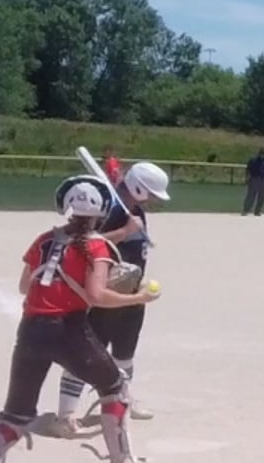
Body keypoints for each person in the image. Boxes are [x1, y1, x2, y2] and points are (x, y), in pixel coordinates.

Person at [0, 178, 161, 463]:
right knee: (115, 388)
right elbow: (98, 296)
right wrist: (139, 297)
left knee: (14, 415)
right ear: (101, 212)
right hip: (70, 330)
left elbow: (24, 286)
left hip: (30, 331)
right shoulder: (98, 247)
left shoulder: (44, 240)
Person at [38, 163, 171, 435]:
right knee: (85, 356)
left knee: (125, 354)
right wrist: (124, 232)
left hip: (132, 294)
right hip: (104, 296)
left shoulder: (134, 210)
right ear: (138, 188)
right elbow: (81, 243)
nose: (154, 200)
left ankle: (122, 401)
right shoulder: (108, 209)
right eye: (151, 193)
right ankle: (64, 416)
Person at [242, 148, 264, 216]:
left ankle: (258, 211)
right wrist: (247, 178)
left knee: (262, 197)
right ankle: (246, 210)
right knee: (250, 196)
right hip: (254, 179)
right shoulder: (253, 160)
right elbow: (248, 169)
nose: (262, 156)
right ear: (259, 154)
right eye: (261, 154)